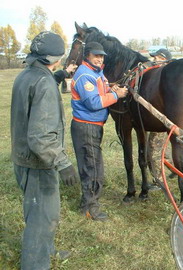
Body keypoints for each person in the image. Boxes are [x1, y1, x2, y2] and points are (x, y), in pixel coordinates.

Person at [10, 31, 78, 270]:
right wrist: (63, 163)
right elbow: (40, 137)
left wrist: (59, 76)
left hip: (23, 159)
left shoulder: (26, 75)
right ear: (55, 58)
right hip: (39, 163)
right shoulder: (44, 83)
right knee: (42, 218)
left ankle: (46, 250)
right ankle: (35, 264)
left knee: (40, 212)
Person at [70, 41, 128, 221]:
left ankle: (87, 204)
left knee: (91, 165)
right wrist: (116, 95)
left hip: (92, 126)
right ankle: (90, 208)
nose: (99, 58)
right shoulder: (85, 75)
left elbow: (100, 89)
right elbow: (93, 103)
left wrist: (110, 88)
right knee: (93, 168)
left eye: (101, 56)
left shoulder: (96, 72)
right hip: (86, 127)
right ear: (87, 55)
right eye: (96, 55)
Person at [146, 49, 175, 187]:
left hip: (161, 119)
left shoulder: (162, 76)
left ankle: (159, 181)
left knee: (154, 148)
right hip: (165, 119)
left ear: (164, 59)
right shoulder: (169, 76)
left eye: (156, 58)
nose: (153, 61)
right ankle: (175, 168)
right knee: (163, 147)